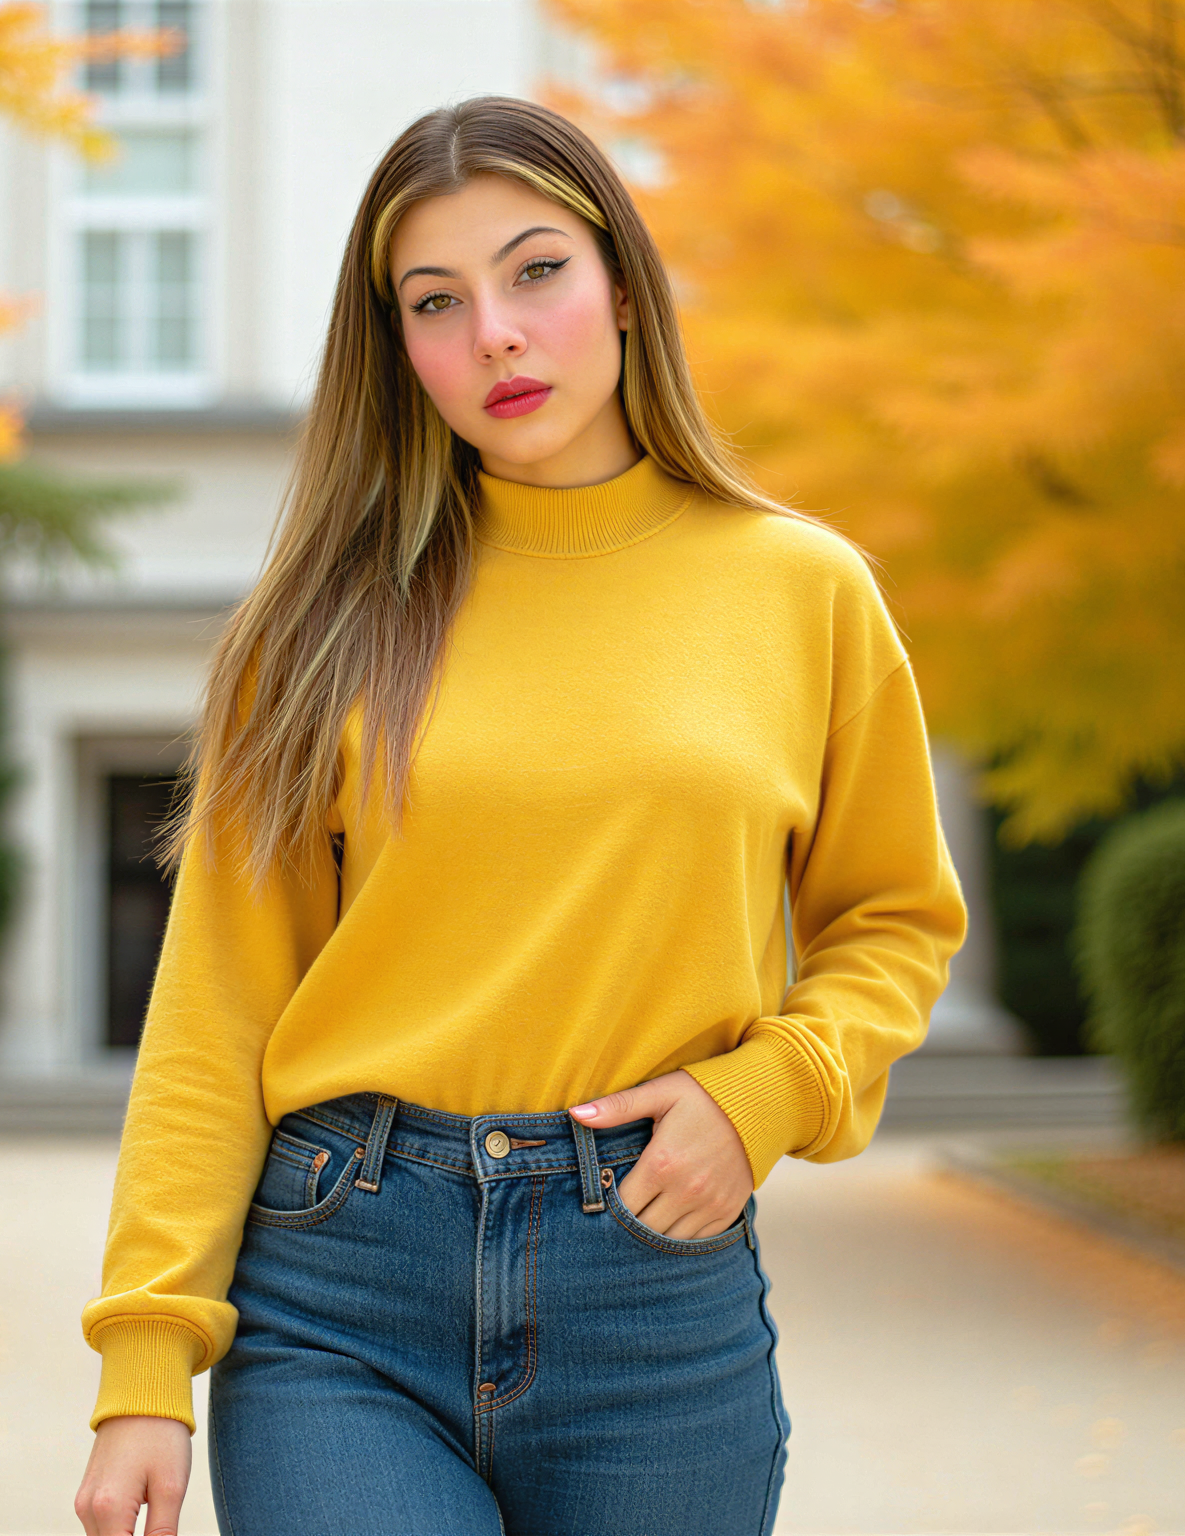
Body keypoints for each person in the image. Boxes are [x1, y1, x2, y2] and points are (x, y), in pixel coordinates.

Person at [73, 94, 968, 1536]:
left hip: (655, 1291)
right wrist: (144, 1360)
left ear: (622, 282)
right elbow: (216, 1007)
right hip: (340, 1293)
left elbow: (895, 922)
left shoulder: (803, 593)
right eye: (437, 302)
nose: (493, 331)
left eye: (535, 269)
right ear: (400, 351)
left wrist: (768, 1094)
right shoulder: (314, 629)